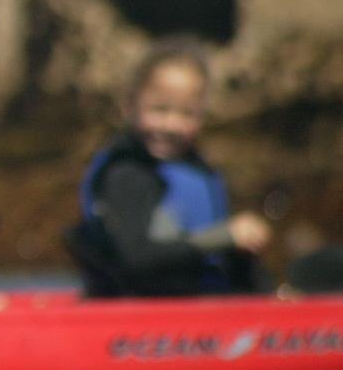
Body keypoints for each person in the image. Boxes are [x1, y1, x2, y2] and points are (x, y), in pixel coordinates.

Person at [66, 36, 271, 298]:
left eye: (187, 113)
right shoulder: (127, 174)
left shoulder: (198, 172)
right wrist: (223, 236)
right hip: (136, 314)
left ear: (203, 114)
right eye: (159, 109)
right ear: (130, 107)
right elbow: (136, 259)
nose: (170, 125)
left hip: (201, 310)